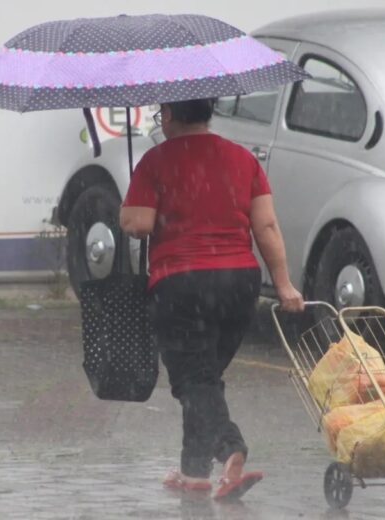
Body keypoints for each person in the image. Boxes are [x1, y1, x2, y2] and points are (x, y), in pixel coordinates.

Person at [120, 98, 304, 500]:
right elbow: (267, 226)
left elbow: (139, 223)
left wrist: (127, 210)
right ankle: (194, 472)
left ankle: (230, 449)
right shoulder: (243, 159)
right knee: (202, 378)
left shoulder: (154, 161)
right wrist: (285, 284)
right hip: (239, 285)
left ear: (168, 115)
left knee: (193, 379)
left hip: (181, 283)